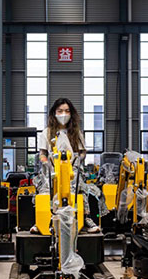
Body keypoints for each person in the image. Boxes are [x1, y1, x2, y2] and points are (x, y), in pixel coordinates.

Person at [36, 97, 100, 233]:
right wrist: (47, 164)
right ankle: (41, 221)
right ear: (54, 113)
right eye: (60, 111)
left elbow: (82, 152)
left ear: (71, 113)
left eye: (66, 111)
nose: (63, 114)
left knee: (79, 189)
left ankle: (85, 218)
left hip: (72, 169)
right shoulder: (47, 132)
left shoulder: (76, 133)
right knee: (46, 189)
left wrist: (77, 161)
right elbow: (42, 153)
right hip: (53, 169)